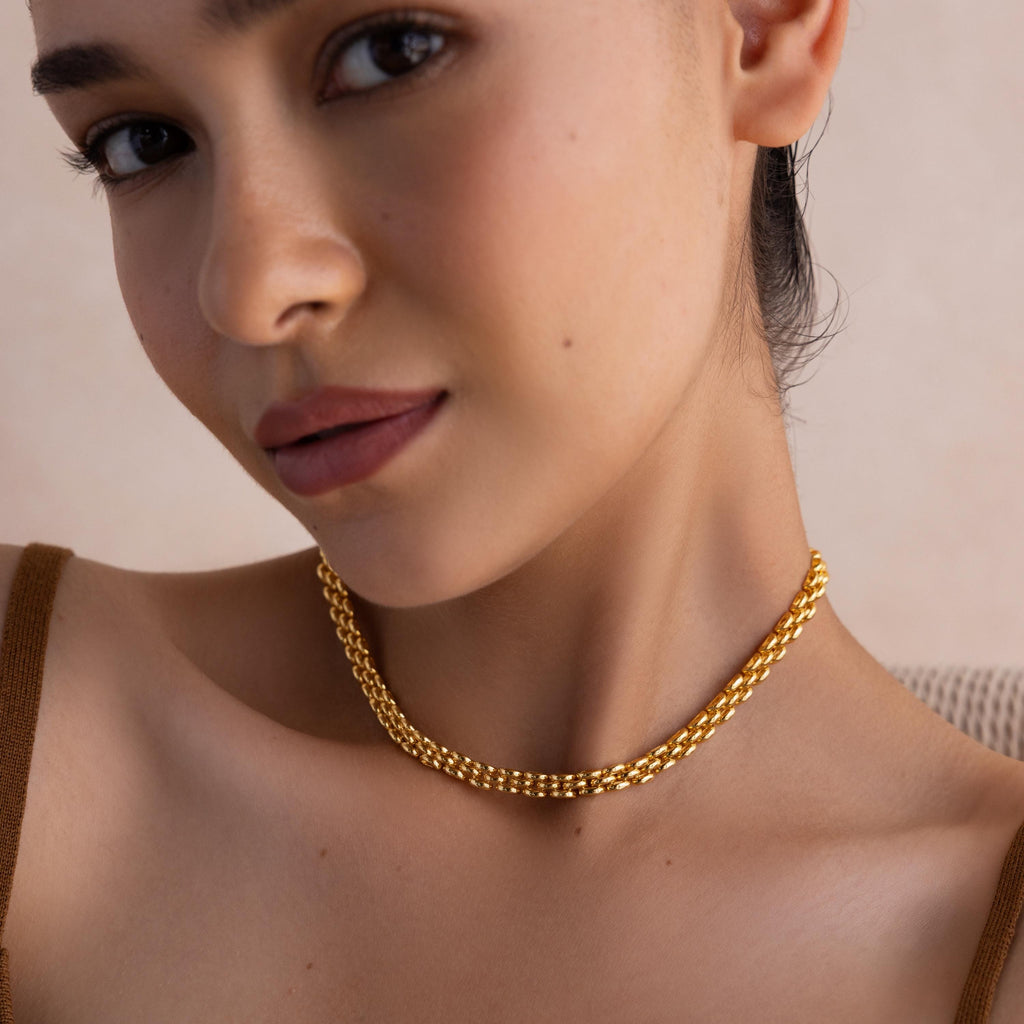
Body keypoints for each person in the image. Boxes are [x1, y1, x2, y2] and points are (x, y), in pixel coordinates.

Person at [3, 0, 1023, 1020]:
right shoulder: (39, 730)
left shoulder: (983, 935)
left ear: (757, 29)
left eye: (387, 54)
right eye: (143, 144)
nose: (249, 286)